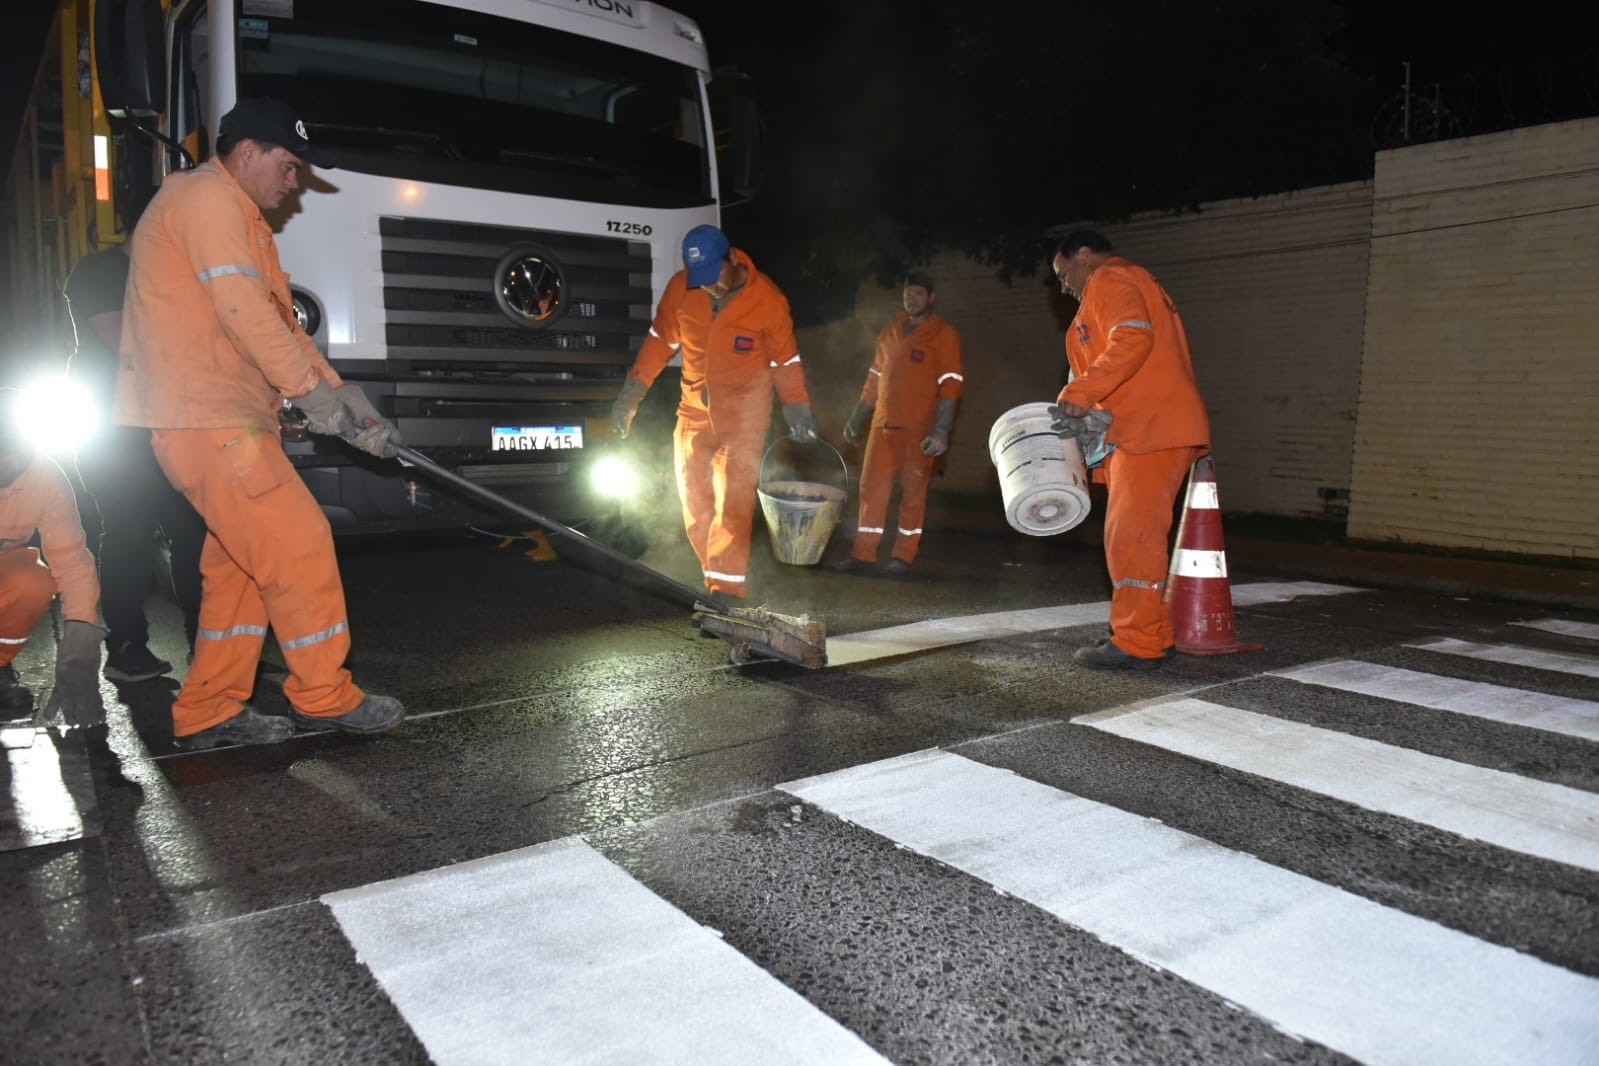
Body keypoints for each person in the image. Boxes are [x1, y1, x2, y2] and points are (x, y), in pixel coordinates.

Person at [116, 98, 405, 749]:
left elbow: (279, 327)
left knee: (241, 573)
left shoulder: (245, 224)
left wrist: (347, 401)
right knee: (299, 541)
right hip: (207, 420)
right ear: (247, 151)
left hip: (225, 421)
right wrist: (315, 400)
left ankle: (209, 710)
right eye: (288, 164)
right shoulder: (205, 201)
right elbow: (243, 312)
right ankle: (323, 696)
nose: (293, 182)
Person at [609, 225, 818, 600]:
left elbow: (786, 360)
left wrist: (797, 408)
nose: (709, 286)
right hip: (693, 415)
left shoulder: (767, 300)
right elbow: (659, 342)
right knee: (695, 505)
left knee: (732, 506)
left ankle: (726, 593)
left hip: (744, 420)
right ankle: (714, 583)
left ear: (733, 259)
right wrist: (631, 395)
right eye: (700, 279)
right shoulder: (681, 290)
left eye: (714, 275)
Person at [1049, 229, 1211, 670]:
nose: (1063, 285)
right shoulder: (1129, 281)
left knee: (1131, 537)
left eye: (1063, 273)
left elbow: (1132, 340)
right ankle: (1153, 632)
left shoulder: (1111, 279)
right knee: (1140, 535)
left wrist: (1079, 394)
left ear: (1084, 255)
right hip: (1150, 427)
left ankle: (1136, 642)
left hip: (1150, 429)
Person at [65, 238, 205, 682]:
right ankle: (126, 650)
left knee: (194, 534)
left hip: (170, 421)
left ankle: (210, 648)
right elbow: (122, 341)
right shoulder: (99, 270)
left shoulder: (179, 272)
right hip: (115, 426)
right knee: (127, 533)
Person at [832, 271, 964, 575]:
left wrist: (941, 431)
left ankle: (903, 557)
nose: (912, 298)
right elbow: (873, 380)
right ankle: (862, 555)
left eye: (918, 294)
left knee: (913, 494)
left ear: (931, 298)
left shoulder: (943, 334)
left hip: (919, 431)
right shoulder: (890, 332)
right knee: (871, 491)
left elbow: (952, 385)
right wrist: (857, 418)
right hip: (881, 428)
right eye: (908, 293)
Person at [0, 398, 107, 728]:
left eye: (16, 453)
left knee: (33, 581)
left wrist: (79, 653)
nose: (10, 463)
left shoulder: (43, 476)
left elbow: (73, 565)